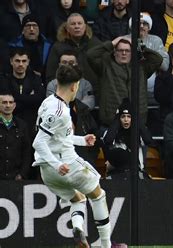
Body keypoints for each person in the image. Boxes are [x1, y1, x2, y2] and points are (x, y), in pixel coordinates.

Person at [32, 64, 112, 247]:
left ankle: (78, 230)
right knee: (99, 196)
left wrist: (83, 140)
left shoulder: (48, 102)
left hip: (48, 172)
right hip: (64, 165)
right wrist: (56, 164)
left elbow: (59, 138)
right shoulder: (60, 112)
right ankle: (106, 244)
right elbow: (38, 142)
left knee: (78, 198)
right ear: (75, 86)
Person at [101, 99, 156, 180]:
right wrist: (117, 120)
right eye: (123, 116)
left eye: (129, 116)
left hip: (136, 173)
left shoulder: (139, 132)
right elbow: (108, 140)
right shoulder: (111, 132)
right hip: (116, 173)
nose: (126, 120)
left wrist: (137, 119)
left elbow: (149, 140)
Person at [0, 92, 31, 180]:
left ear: (14, 105)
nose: (8, 105)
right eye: (4, 102)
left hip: (16, 177)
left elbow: (27, 152)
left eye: (10, 102)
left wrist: (22, 174)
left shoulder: (22, 125)